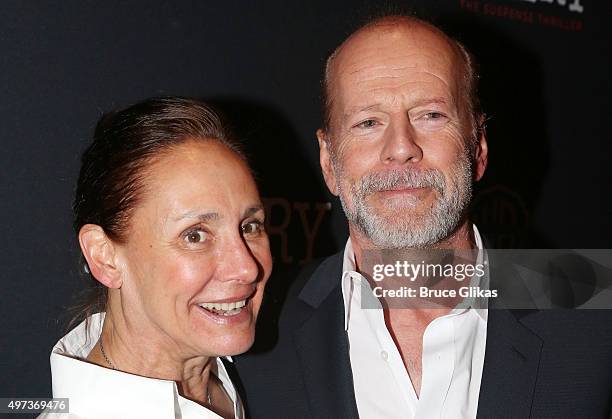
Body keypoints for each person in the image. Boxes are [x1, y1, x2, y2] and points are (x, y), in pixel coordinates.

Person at [232, 15, 612, 418]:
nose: (400, 147)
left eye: (430, 115)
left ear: (478, 147)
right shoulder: (253, 330)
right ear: (328, 162)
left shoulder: (595, 306)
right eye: (368, 122)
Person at [39, 97, 272, 419]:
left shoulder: (242, 371)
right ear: (104, 257)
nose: (246, 268)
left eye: (249, 226)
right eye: (195, 235)